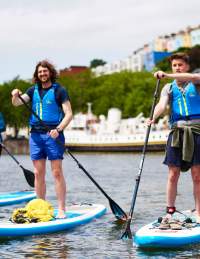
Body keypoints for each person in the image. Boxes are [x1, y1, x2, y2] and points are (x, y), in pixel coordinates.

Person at [11, 60, 73, 218]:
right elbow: (17, 103)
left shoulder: (59, 90)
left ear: (50, 73)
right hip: (36, 136)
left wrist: (58, 129)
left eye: (45, 71)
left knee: (57, 173)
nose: (42, 74)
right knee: (38, 173)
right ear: (37, 75)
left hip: (53, 135)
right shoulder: (32, 91)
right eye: (40, 72)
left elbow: (69, 114)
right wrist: (14, 95)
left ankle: (61, 209)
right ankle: (40, 207)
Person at [148, 52, 200, 222]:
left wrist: (168, 74)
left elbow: (192, 76)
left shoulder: (196, 80)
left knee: (197, 174)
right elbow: (162, 105)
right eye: (174, 66)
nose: (177, 68)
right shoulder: (168, 87)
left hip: (196, 131)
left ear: (187, 66)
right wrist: (153, 118)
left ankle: (199, 211)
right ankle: (170, 210)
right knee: (173, 174)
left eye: (180, 65)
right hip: (177, 132)